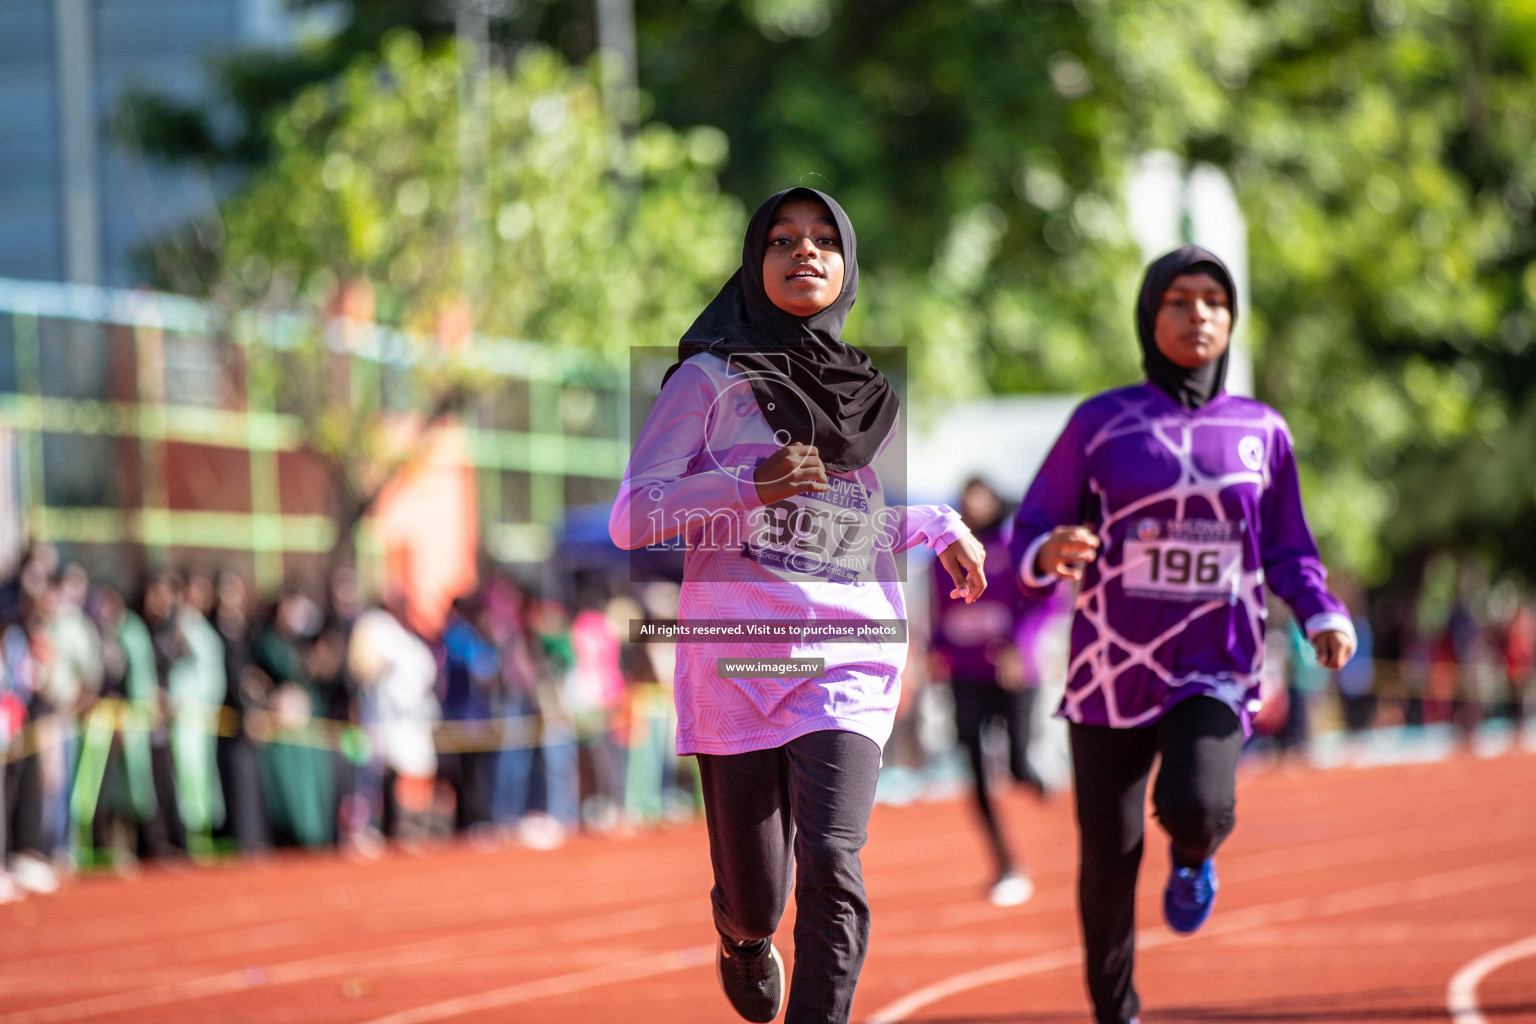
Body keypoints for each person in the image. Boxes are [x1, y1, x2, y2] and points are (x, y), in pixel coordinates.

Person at [610, 187, 986, 1024]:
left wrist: (932, 523)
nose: (804, 252)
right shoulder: (707, 381)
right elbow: (633, 517)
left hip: (847, 654)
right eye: (783, 239)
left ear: (848, 267)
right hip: (737, 662)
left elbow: (834, 534)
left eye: (824, 240)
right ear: (755, 263)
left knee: (833, 859)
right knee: (758, 898)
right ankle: (742, 940)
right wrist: (748, 482)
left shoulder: (862, 394)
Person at [1009, 246, 1355, 1024]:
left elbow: (1289, 547)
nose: (1197, 314)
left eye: (1212, 301)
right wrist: (1045, 551)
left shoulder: (1261, 430)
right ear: (1148, 314)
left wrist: (1321, 612)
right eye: (1177, 299)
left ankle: (1195, 856)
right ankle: (1116, 1011)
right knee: (1109, 859)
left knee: (1196, 805)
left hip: (1214, 662)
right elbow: (1028, 528)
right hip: (1108, 668)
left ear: (1230, 321)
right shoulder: (1100, 422)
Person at [928, 477, 1058, 907]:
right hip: (965, 678)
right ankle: (1005, 863)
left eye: (979, 497)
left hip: (1013, 675)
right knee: (974, 765)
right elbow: (939, 609)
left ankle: (1037, 780)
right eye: (965, 498)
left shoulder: (1014, 543)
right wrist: (936, 651)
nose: (972, 504)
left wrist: (1020, 646)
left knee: (1017, 764)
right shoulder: (943, 554)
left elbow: (1048, 599)